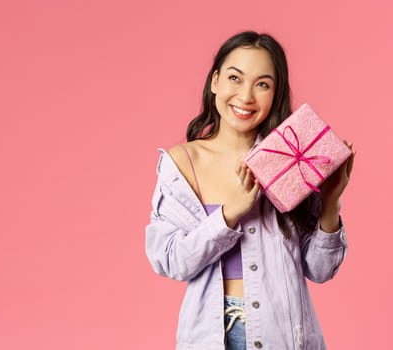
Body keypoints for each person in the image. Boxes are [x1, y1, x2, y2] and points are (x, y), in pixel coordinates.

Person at [145, 31, 356, 350]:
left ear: (275, 94)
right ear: (215, 81)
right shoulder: (182, 163)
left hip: (284, 335)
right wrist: (230, 214)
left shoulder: (292, 158)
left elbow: (320, 270)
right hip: (210, 337)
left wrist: (330, 202)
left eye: (262, 84)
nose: (245, 96)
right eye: (235, 78)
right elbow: (171, 261)